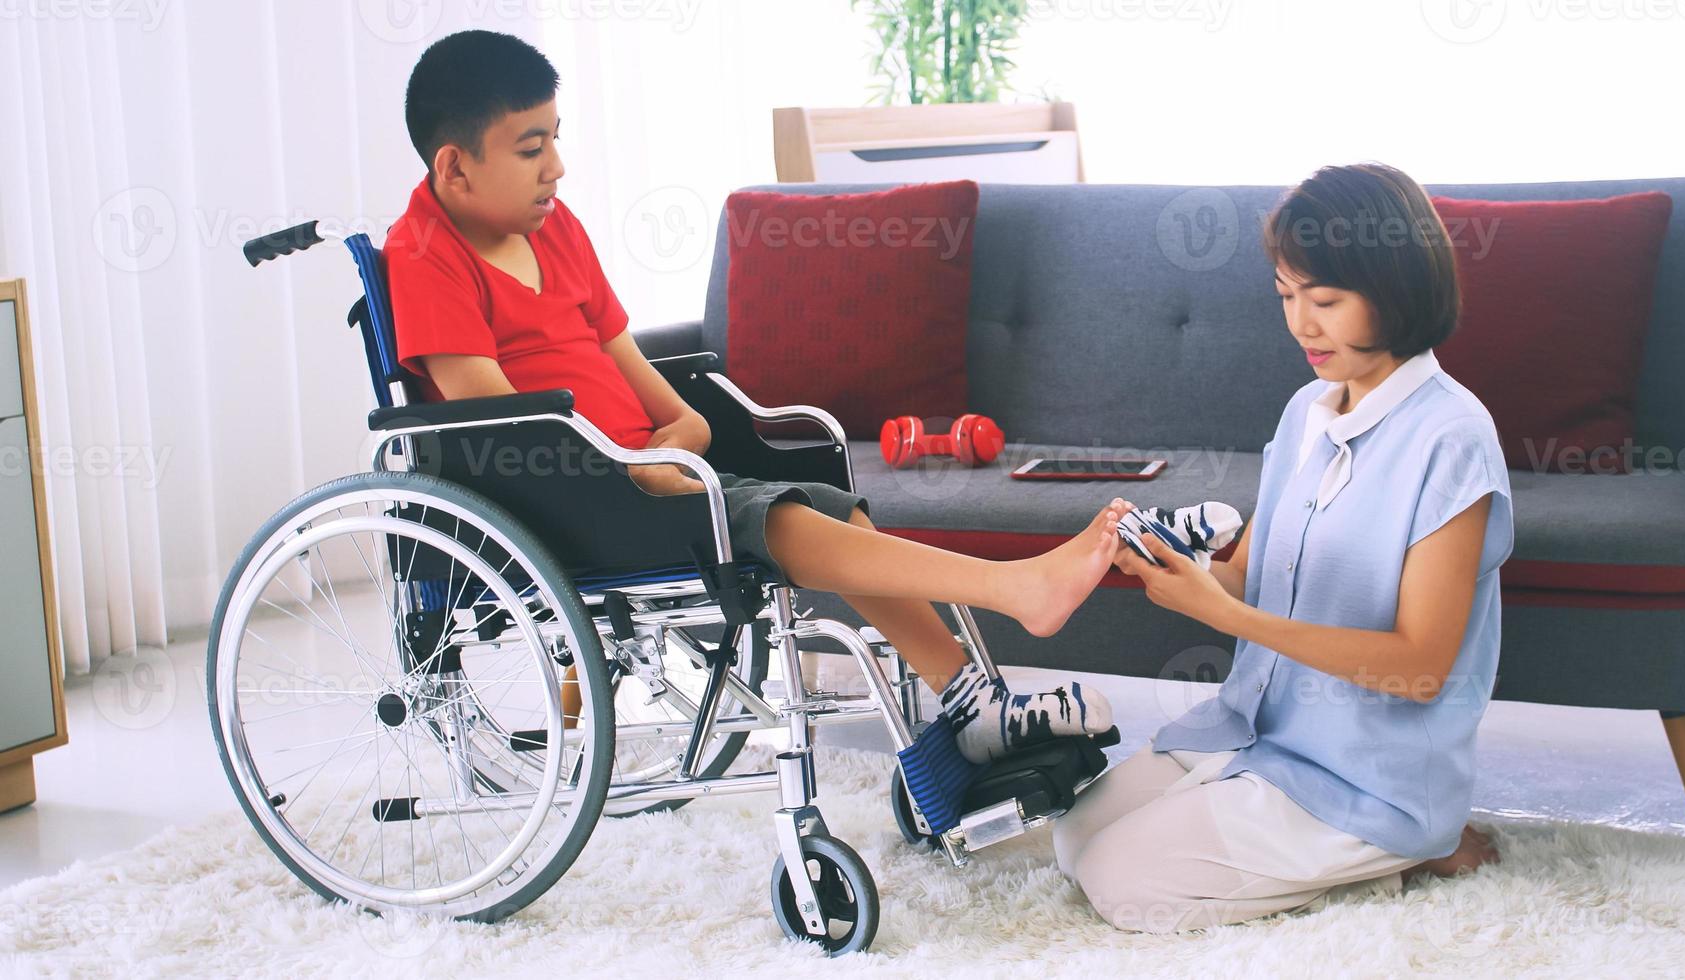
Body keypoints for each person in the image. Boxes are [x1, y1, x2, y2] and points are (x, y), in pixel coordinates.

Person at [382, 30, 1120, 765]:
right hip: (568, 499)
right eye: (529, 147)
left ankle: (969, 703)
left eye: (556, 138)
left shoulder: (556, 229)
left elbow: (659, 391)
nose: (557, 166)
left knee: (836, 509)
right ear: (455, 167)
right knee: (772, 519)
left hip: (651, 477)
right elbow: (505, 427)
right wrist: (626, 467)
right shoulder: (424, 259)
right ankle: (1016, 588)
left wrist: (676, 435)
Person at [1052, 163, 1512, 932]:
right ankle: (1325, 837)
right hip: (1258, 728)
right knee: (1073, 841)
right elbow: (1246, 579)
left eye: (1325, 301)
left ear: (1396, 287)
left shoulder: (1452, 439)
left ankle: (1412, 842)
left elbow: (1420, 667)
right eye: (1286, 297)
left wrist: (1228, 618)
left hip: (1365, 773)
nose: (1301, 324)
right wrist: (1178, 568)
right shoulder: (1306, 411)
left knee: (1119, 881)